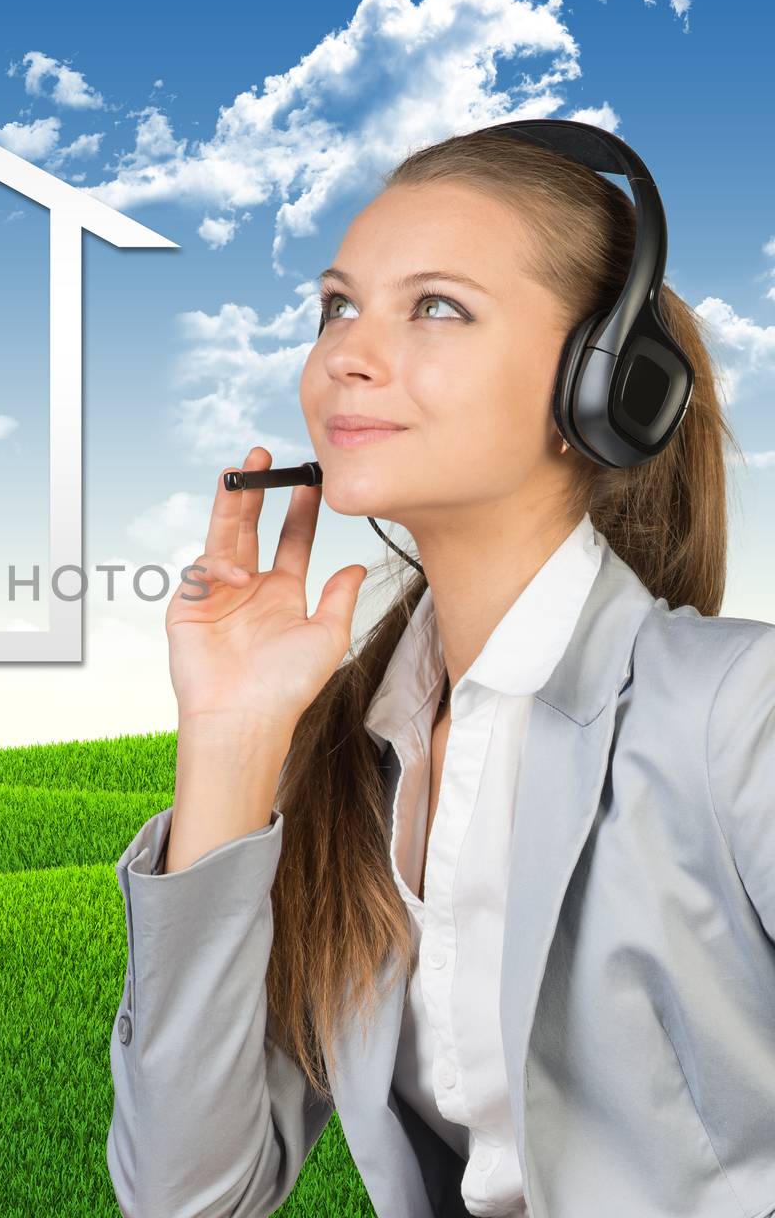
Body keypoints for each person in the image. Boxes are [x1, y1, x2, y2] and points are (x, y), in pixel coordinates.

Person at [106, 124, 775, 1217]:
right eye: (336, 306)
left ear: (603, 384)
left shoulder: (736, 712)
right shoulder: (349, 763)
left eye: (435, 306)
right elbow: (189, 1198)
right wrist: (227, 740)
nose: (346, 356)